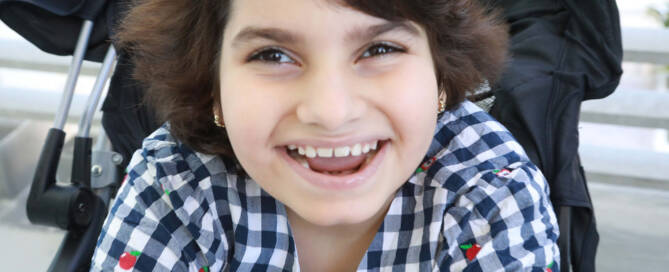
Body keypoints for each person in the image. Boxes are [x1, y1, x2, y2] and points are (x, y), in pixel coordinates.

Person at [90, 0, 560, 270]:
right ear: (213, 90)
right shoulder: (175, 184)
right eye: (273, 55)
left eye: (379, 48)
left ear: (441, 78)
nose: (331, 113)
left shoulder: (491, 190)